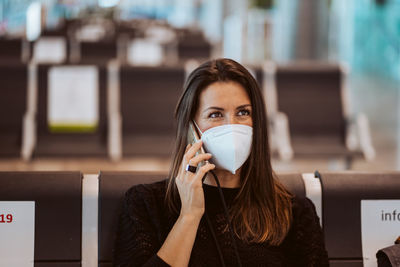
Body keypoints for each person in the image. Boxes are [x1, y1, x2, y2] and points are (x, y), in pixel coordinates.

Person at [114, 58, 329, 267]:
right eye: (215, 114)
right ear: (191, 129)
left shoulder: (293, 213)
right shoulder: (146, 204)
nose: (232, 126)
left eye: (243, 113)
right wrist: (189, 216)